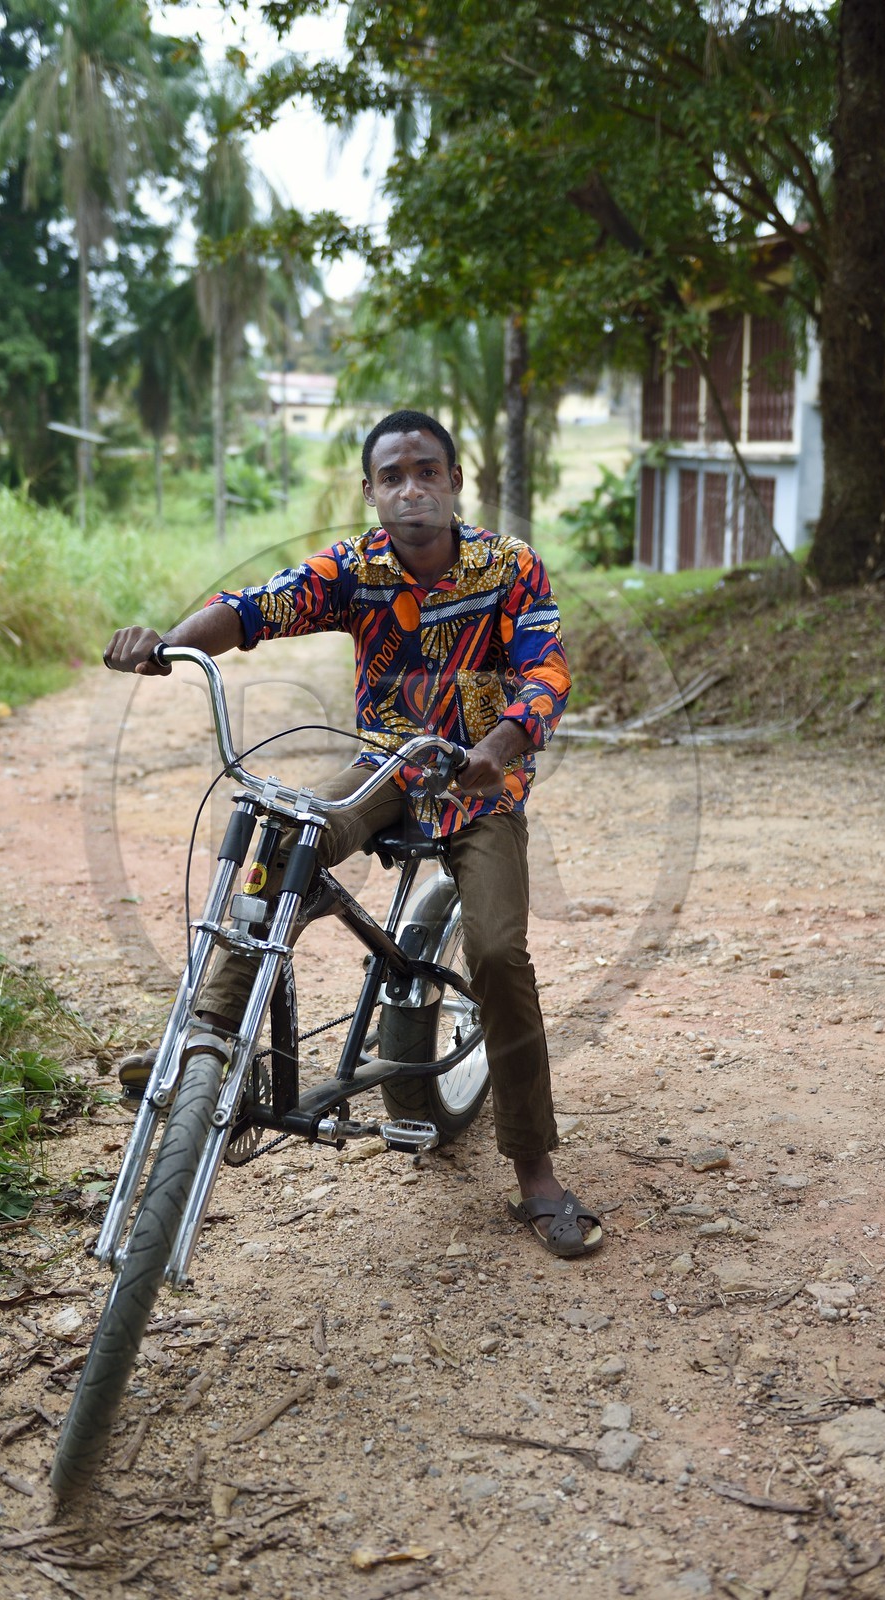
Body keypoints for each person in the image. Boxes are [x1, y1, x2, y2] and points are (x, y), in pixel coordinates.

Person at [103, 409, 602, 1259]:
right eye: (392, 475)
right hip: (382, 767)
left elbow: (546, 668)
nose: (412, 488)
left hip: (479, 785)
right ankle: (208, 1048)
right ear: (369, 492)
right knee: (287, 834)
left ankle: (536, 1173)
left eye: (427, 471)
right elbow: (254, 610)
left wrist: (500, 746)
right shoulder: (355, 568)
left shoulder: (510, 567)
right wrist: (167, 648)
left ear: (454, 481)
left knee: (498, 952)